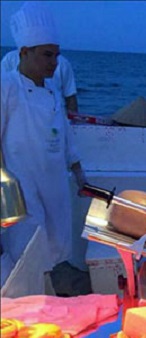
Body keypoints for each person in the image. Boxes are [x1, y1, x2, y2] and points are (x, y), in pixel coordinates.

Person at [1, 1, 87, 275]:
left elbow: (65, 135)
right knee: (24, 250)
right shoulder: (7, 87)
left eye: (57, 56)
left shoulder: (51, 90)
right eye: (47, 55)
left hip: (54, 183)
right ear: (24, 53)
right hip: (20, 185)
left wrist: (79, 172)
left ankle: (44, 301)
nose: (55, 63)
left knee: (53, 246)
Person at [1, 49, 78, 113]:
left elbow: (70, 97)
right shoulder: (10, 59)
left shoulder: (63, 64)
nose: (54, 62)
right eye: (47, 55)